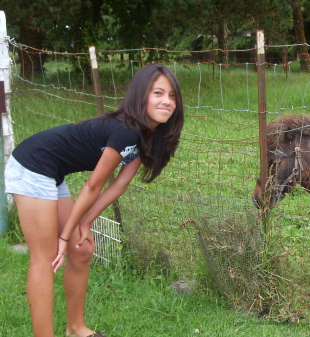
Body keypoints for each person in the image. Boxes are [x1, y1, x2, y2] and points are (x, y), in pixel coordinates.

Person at [4, 64, 184, 337]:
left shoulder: (146, 135)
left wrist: (85, 224)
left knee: (82, 249)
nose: (167, 101)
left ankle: (75, 329)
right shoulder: (125, 130)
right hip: (31, 165)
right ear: (140, 95)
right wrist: (64, 237)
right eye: (158, 92)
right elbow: (92, 186)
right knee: (46, 257)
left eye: (172, 96)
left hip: (52, 171)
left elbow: (120, 184)